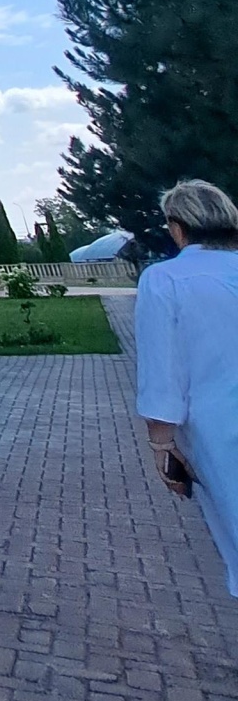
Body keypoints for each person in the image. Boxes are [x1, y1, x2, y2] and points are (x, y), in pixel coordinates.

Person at [136, 178, 238, 597]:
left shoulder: (165, 280)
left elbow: (163, 370)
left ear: (177, 228)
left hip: (223, 431)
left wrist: (162, 447)